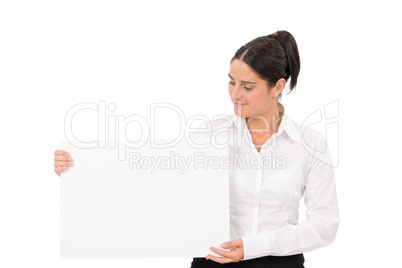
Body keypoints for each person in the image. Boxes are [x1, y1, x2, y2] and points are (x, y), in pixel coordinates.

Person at [54, 30, 339, 268]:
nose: (235, 94)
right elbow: (151, 187)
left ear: (278, 86)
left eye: (247, 86)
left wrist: (251, 247)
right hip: (211, 263)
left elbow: (324, 226)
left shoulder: (310, 144)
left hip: (281, 264)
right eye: (231, 81)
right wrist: (79, 172)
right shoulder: (208, 135)